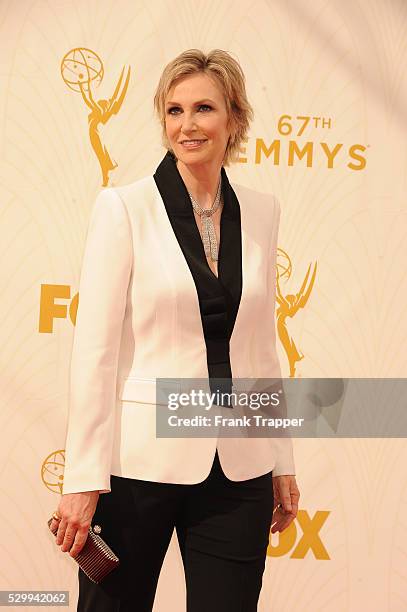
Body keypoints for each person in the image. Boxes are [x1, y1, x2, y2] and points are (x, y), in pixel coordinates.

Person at [51, 48, 300, 611]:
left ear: (234, 118)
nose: (187, 125)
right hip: (139, 466)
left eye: (204, 108)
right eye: (174, 110)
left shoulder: (262, 211)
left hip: (240, 468)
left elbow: (261, 348)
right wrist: (83, 479)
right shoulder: (123, 208)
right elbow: (95, 354)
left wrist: (282, 459)